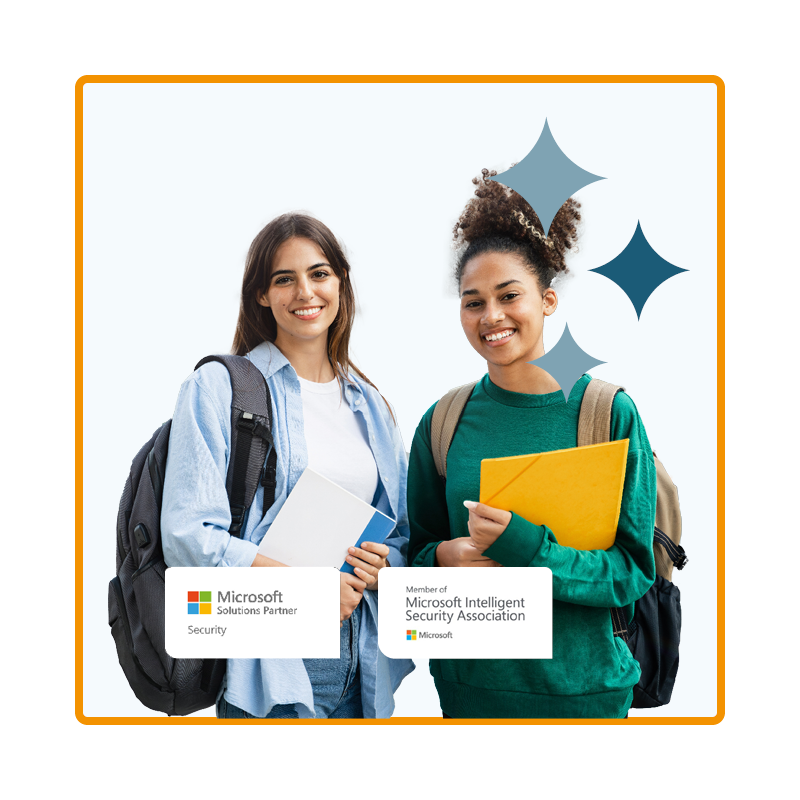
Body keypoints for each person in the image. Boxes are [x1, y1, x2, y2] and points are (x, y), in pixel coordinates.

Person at [407, 169, 656, 719]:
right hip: (470, 697)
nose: (490, 316)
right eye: (473, 302)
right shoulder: (442, 423)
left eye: (508, 295)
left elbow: (633, 572)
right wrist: (441, 559)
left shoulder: (607, 413)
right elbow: (413, 554)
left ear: (546, 301)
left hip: (587, 695)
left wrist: (530, 551)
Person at [161, 212, 414, 719]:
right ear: (261, 294)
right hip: (271, 659)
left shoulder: (372, 405)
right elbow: (189, 535)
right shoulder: (219, 388)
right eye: (284, 278)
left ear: (340, 282)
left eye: (319, 273)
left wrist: (384, 565)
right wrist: (304, 592)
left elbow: (400, 534)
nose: (305, 291)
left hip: (362, 660)